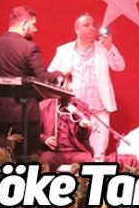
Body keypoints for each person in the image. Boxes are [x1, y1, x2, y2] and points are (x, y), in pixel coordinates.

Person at [0, 5, 63, 159]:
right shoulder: (29, 48)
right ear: (24, 24)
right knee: (27, 161)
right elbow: (43, 79)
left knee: (1, 161)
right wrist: (60, 74)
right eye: (33, 24)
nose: (35, 29)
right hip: (24, 118)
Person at [48, 13, 126, 161]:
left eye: (93, 25)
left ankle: (96, 175)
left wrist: (110, 47)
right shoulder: (64, 50)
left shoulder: (103, 48)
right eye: (86, 25)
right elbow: (50, 76)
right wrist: (63, 77)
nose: (92, 28)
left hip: (99, 109)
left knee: (98, 153)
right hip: (74, 110)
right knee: (75, 152)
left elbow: (120, 66)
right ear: (77, 29)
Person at [38, 99, 93, 171]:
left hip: (74, 152)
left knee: (87, 160)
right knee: (45, 160)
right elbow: (33, 132)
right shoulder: (44, 105)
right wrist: (45, 139)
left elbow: (84, 137)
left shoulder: (80, 107)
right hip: (54, 152)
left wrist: (83, 128)